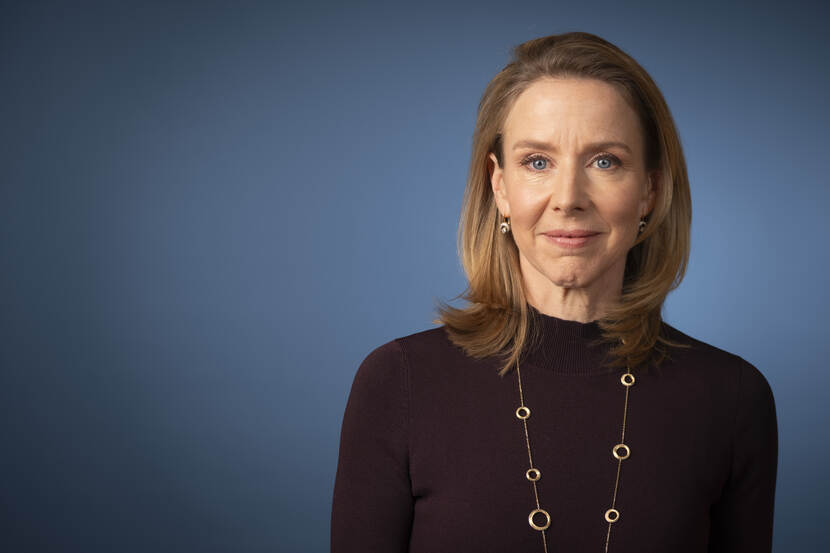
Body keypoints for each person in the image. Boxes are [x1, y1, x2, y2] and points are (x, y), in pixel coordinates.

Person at [330, 31, 778, 553]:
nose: (568, 199)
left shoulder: (733, 399)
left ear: (650, 191)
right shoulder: (398, 383)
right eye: (537, 162)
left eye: (604, 161)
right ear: (499, 186)